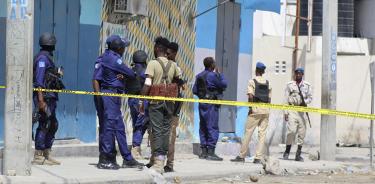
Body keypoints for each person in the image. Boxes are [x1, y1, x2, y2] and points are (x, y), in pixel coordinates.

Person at [99, 35, 143, 169]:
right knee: (109, 126)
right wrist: (126, 73)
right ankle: (105, 159)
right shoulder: (114, 59)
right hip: (110, 95)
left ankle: (127, 158)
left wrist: (122, 75)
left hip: (114, 95)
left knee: (119, 127)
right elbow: (131, 73)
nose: (124, 49)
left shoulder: (109, 56)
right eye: (123, 47)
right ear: (119, 48)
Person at [140, 36, 181, 173]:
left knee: (156, 131)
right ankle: (160, 160)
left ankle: (158, 163)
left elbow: (147, 83)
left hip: (156, 101)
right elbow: (178, 81)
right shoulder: (173, 65)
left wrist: (141, 98)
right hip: (170, 103)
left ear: (158, 48)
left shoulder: (152, 63)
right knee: (165, 131)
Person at [32, 32, 65, 165]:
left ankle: (46, 152)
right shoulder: (42, 59)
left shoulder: (47, 58)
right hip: (44, 97)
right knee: (45, 123)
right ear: (51, 45)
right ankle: (38, 155)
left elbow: (47, 76)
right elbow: (39, 81)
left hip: (50, 97)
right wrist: (40, 100)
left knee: (53, 124)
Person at [230, 62, 272, 164]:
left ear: (256, 70)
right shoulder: (267, 82)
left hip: (255, 109)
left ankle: (242, 156)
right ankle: (258, 157)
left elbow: (250, 96)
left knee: (248, 132)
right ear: (263, 72)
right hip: (266, 110)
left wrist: (250, 107)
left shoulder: (252, 81)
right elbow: (269, 98)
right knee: (262, 134)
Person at [92, 35, 122, 168]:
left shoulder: (111, 60)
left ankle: (108, 157)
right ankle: (104, 159)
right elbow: (95, 79)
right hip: (105, 97)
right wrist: (99, 98)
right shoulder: (103, 59)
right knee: (107, 127)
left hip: (108, 97)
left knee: (108, 127)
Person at [193, 57, 227, 161]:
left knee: (203, 126)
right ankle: (211, 152)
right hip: (211, 104)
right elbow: (224, 84)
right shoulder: (213, 75)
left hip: (202, 103)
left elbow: (194, 90)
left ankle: (203, 152)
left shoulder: (199, 76)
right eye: (214, 63)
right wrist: (220, 74)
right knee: (212, 126)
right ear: (211, 65)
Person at [283, 67, 313, 162]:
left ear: (302, 75)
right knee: (291, 131)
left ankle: (298, 154)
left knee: (302, 133)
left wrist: (305, 102)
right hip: (292, 110)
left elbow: (310, 97)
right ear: (295, 74)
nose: (298, 75)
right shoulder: (290, 85)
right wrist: (285, 112)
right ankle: (287, 151)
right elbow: (285, 99)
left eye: (300, 74)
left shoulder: (307, 86)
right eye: (296, 73)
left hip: (302, 111)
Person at [164, 42, 185, 172]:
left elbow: (182, 86)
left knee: (171, 134)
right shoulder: (166, 65)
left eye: (168, 53)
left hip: (173, 106)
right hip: (164, 104)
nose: (166, 55)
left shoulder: (176, 68)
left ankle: (170, 163)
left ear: (174, 53)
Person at [126, 50, 149, 160]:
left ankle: (136, 149)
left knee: (137, 123)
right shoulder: (144, 72)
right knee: (141, 125)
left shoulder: (131, 70)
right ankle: (135, 149)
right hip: (141, 101)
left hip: (131, 100)